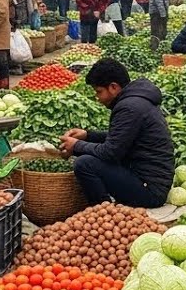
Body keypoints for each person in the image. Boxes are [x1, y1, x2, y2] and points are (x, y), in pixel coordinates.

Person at [60, 59, 174, 207]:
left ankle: (104, 213)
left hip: (150, 190)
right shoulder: (135, 100)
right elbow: (120, 139)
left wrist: (77, 146)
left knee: (85, 164)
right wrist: (87, 136)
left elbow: (110, 153)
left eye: (99, 92)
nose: (98, 98)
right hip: (146, 178)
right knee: (88, 158)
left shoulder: (129, 107)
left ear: (113, 87)